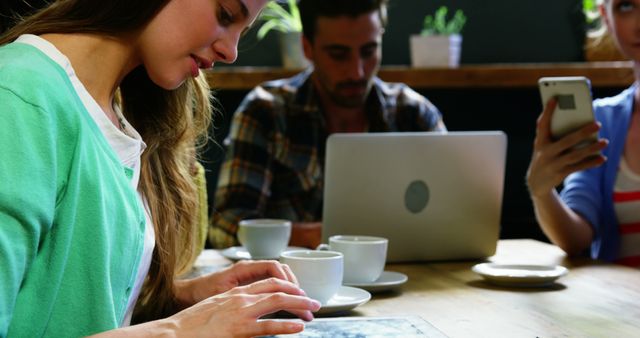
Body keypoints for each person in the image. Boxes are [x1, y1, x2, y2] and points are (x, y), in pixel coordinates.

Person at [0, 0, 322, 337]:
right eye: (226, 14)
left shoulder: (114, 110)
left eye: (244, 30)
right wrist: (177, 331)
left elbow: (75, 305)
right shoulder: (19, 97)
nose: (231, 52)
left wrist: (184, 298)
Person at [209, 0, 447, 249]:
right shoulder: (266, 111)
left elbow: (455, 210)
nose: (356, 72)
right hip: (296, 282)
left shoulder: (413, 114)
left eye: (368, 51)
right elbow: (225, 227)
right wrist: (317, 237)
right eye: (338, 54)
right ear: (307, 47)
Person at [526, 0, 640, 266]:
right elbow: (576, 239)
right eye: (625, 7)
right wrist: (542, 191)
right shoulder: (603, 122)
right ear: (606, 17)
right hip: (619, 303)